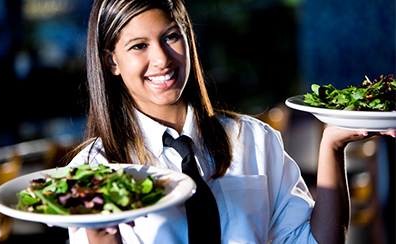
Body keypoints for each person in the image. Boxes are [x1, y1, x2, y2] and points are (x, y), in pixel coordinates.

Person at [66, 0, 396, 243]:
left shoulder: (254, 139)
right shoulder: (94, 171)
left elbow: (317, 241)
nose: (162, 59)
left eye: (170, 37)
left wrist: (332, 144)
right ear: (112, 62)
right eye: (139, 46)